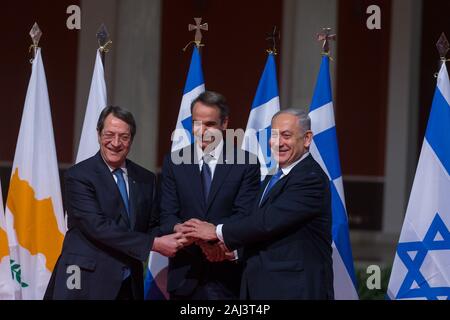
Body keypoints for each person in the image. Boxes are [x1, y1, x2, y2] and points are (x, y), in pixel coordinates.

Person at [183, 109, 334, 300]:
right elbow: (261, 225)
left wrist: (216, 231)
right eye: (274, 135)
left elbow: (268, 222)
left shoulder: (310, 179)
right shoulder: (273, 177)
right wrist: (234, 250)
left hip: (295, 291)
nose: (278, 143)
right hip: (264, 287)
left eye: (286, 135)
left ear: (306, 139)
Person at [45, 106, 186, 300]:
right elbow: (97, 226)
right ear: (98, 134)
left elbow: (151, 225)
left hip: (129, 282)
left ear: (131, 140)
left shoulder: (145, 178)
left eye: (124, 137)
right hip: (84, 280)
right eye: (109, 134)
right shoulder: (79, 176)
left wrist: (180, 232)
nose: (116, 143)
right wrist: (154, 243)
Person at [159, 91, 260, 300]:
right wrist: (191, 234)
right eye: (197, 123)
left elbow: (244, 216)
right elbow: (167, 215)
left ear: (224, 124)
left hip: (227, 277)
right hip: (184, 276)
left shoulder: (245, 163)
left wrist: (214, 236)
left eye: (210, 124)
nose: (202, 131)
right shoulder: (174, 162)